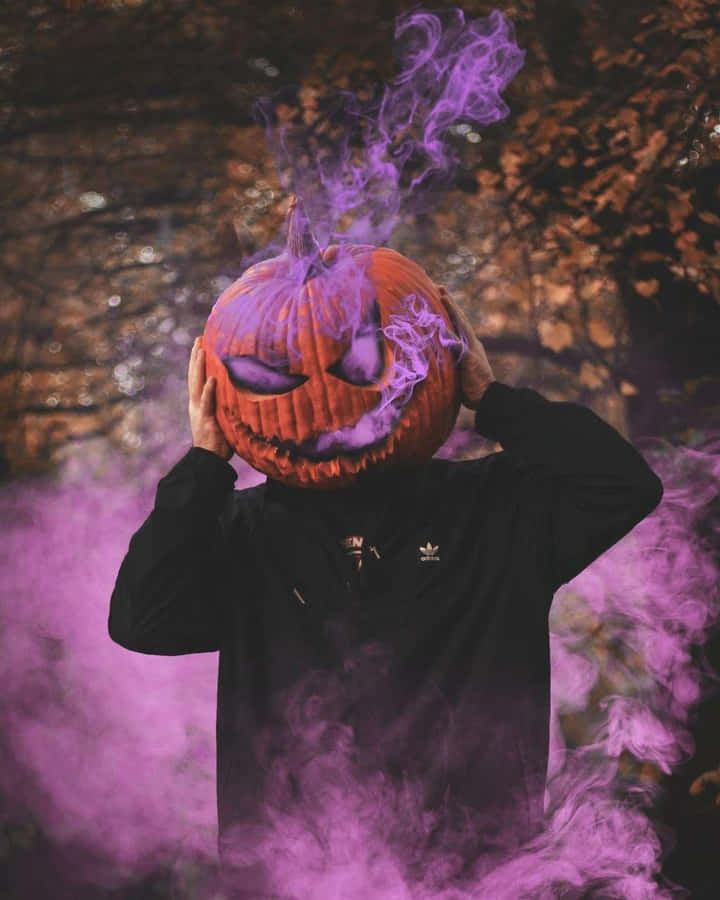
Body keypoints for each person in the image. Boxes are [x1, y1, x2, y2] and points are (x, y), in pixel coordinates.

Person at [108, 291, 664, 898]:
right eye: (277, 374)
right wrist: (205, 465)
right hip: (292, 878)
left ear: (428, 368)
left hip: (480, 878)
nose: (323, 392)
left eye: (360, 363)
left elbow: (622, 484)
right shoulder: (240, 535)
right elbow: (142, 618)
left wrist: (493, 399)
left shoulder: (495, 509)